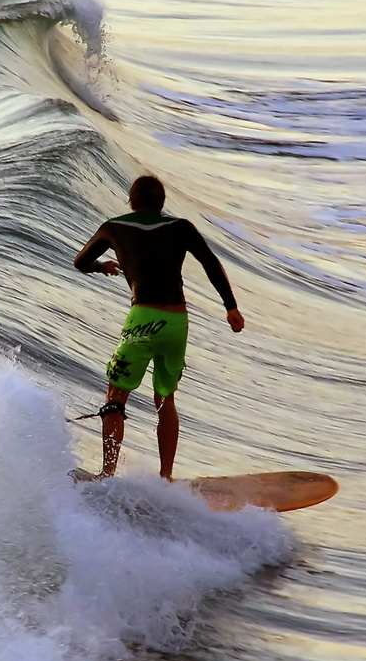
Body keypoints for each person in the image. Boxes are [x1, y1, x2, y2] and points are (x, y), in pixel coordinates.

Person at [72, 175, 244, 481]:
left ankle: (107, 474)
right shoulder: (181, 227)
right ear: (162, 203)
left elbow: (81, 261)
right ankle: (165, 478)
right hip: (178, 321)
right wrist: (231, 307)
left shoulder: (114, 227)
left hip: (143, 320)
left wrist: (104, 266)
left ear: (131, 201)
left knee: (115, 397)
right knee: (165, 399)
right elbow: (210, 262)